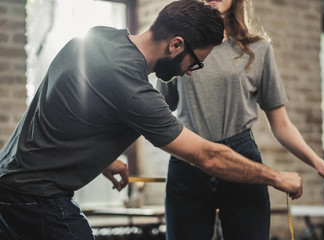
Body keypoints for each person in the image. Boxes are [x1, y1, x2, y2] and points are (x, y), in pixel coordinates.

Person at [0, 0, 305, 239]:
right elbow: (207, 156)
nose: (189, 72)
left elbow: (66, 103)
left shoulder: (97, 37)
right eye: (195, 63)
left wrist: (104, 160)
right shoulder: (135, 91)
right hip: (36, 198)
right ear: (176, 45)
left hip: (9, 184)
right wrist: (277, 177)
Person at [156, 0, 324, 240]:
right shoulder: (179, 45)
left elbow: (281, 123)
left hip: (242, 161)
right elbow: (156, 109)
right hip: (189, 162)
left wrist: (317, 162)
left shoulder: (258, 48)